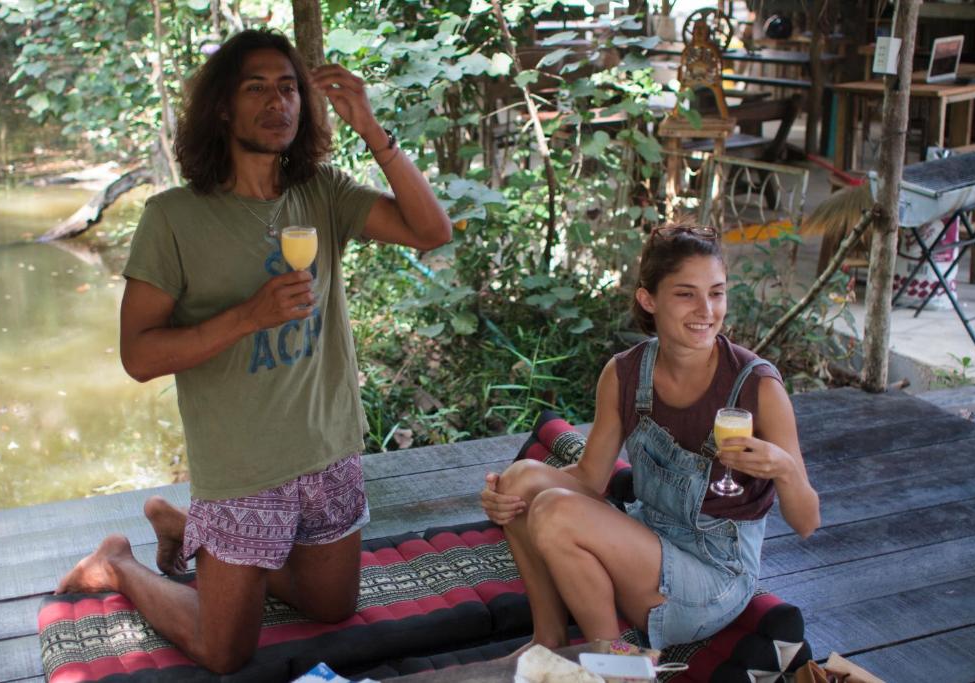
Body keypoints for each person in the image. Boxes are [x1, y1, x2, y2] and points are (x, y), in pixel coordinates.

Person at [56, 29, 451, 673]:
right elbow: (139, 357)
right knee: (224, 651)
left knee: (332, 606)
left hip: (328, 446)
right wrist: (248, 316)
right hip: (244, 467)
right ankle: (119, 562)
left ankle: (187, 532)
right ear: (221, 108)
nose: (278, 102)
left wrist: (372, 129)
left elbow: (432, 231)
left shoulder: (322, 192)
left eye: (289, 88)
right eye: (257, 87)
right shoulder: (173, 218)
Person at [480, 224, 819, 651]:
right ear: (648, 299)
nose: (706, 310)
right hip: (646, 544)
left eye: (716, 293)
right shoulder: (625, 373)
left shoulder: (758, 386)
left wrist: (784, 470)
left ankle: (616, 665)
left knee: (555, 512)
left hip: (712, 579)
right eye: (686, 294)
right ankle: (548, 637)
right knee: (520, 479)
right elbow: (590, 479)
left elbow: (807, 523)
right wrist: (507, 492)